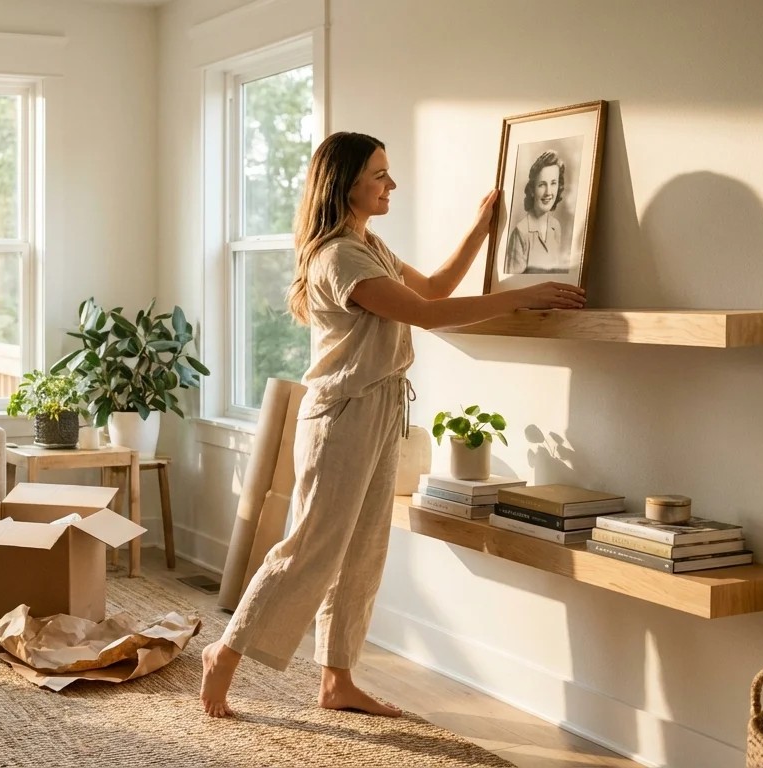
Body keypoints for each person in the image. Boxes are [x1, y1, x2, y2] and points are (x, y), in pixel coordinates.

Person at [199, 132, 585, 719]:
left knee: (364, 550)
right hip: (343, 414)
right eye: (380, 175)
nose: (391, 185)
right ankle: (225, 654)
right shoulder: (339, 256)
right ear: (345, 183)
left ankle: (336, 680)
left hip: (381, 408)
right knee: (311, 548)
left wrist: (483, 228)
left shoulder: (369, 245)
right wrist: (518, 297)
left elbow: (432, 288)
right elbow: (427, 315)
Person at [504, 150, 570, 274]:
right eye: (542, 185)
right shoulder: (520, 233)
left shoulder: (556, 227)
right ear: (532, 190)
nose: (548, 192)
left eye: (553, 183)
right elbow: (513, 285)